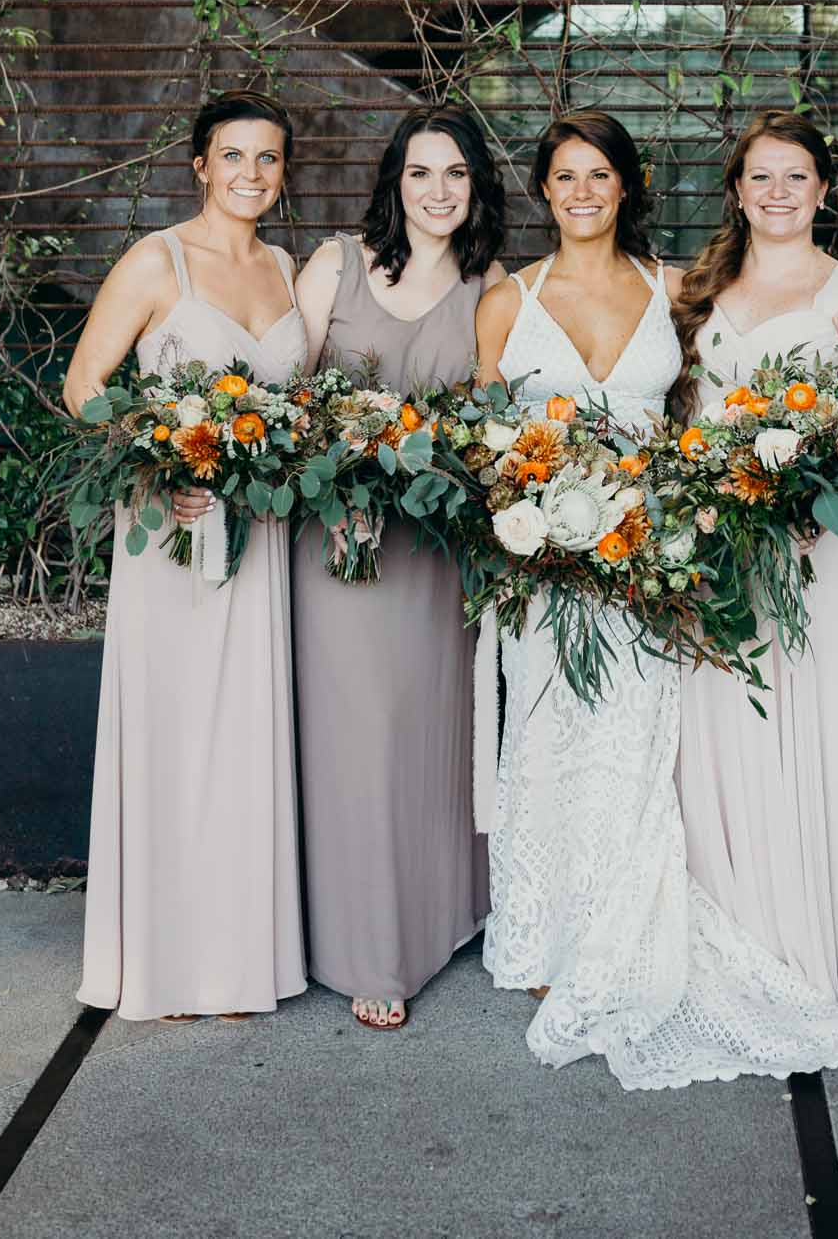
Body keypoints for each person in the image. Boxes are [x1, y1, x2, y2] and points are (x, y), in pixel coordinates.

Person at [474, 109, 838, 1089]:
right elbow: (481, 433)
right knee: (544, 732)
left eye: (599, 175)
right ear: (544, 190)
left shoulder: (677, 293)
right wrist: (527, 510)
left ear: (627, 187)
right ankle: (544, 935)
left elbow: (711, 417)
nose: (581, 192)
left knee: (632, 744)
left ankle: (625, 927)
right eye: (564, 176)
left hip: (652, 555)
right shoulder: (506, 299)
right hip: (542, 563)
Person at [66, 90, 307, 1022]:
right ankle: (167, 964)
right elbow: (85, 385)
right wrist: (159, 460)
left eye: (269, 160)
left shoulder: (287, 268)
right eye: (233, 156)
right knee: (175, 739)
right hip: (173, 532)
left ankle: (242, 959)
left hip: (264, 539)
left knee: (248, 735)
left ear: (284, 175)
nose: (250, 174)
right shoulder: (155, 259)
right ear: (199, 164)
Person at [673, 109, 838, 1009]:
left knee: (806, 715)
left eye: (795, 176)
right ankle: (728, 918)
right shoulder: (699, 289)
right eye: (760, 176)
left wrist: (814, 489)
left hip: (814, 552)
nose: (777, 192)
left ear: (822, 189)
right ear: (737, 191)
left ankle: (811, 930)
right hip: (720, 537)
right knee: (723, 718)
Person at [292, 107, 505, 1031]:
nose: (439, 191)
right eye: (421, 174)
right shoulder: (336, 263)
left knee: (430, 733)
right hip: (340, 545)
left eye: (457, 174)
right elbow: (285, 396)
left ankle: (443, 916)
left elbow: (497, 420)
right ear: (394, 182)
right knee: (357, 737)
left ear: (477, 186)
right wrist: (337, 483)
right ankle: (368, 947)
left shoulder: (492, 286)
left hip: (435, 551)